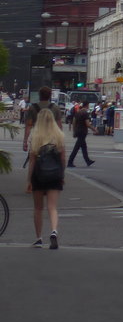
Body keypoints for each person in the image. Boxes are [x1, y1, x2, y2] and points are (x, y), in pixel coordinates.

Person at [27, 105, 66, 248]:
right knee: (52, 207)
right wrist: (62, 174)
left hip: (39, 174)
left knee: (38, 208)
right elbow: (63, 159)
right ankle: (54, 231)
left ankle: (38, 239)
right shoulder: (59, 135)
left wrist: (29, 180)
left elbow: (31, 160)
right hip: (55, 174)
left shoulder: (34, 135)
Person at [23, 85, 64, 155]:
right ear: (50, 95)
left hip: (37, 138)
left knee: (33, 160)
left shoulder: (32, 108)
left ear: (39, 95)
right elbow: (59, 126)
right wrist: (60, 142)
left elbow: (28, 126)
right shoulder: (55, 108)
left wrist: (25, 141)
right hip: (52, 139)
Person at [67, 102, 95, 167]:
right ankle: (70, 162)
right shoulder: (85, 113)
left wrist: (74, 131)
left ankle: (88, 161)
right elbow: (87, 124)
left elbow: (74, 122)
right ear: (87, 106)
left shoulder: (78, 112)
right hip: (83, 132)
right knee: (76, 148)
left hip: (78, 131)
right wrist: (94, 129)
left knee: (84, 147)